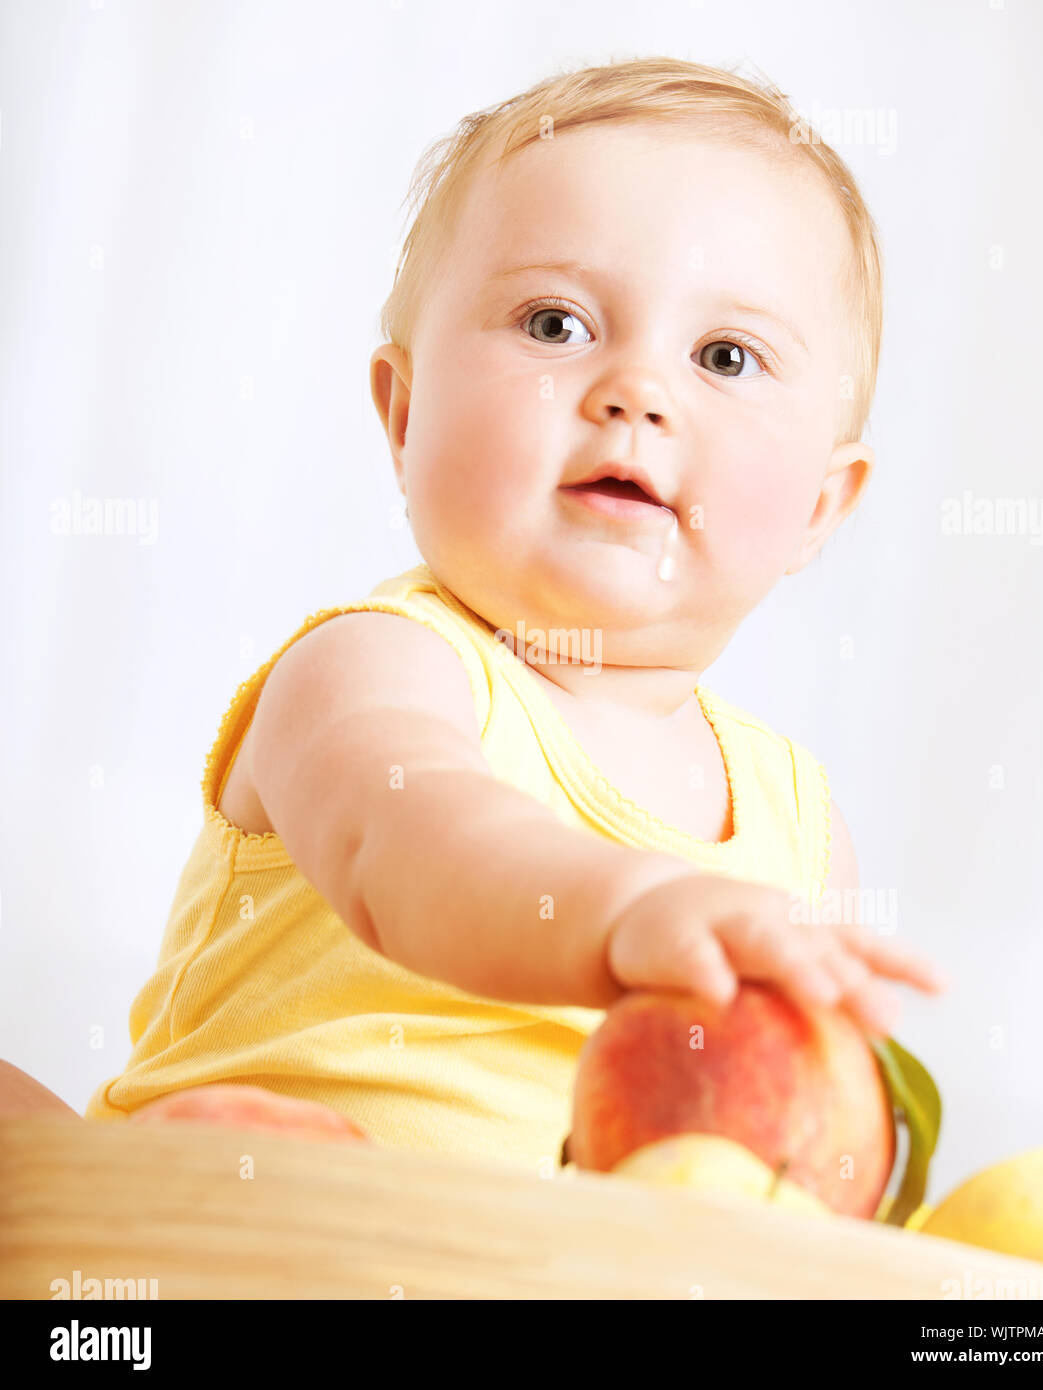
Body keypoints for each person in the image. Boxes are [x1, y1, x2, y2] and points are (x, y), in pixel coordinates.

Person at [82, 57, 950, 1174]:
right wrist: (625, 909)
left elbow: (796, 1140)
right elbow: (418, 849)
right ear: (404, 415)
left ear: (820, 508)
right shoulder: (379, 668)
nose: (635, 391)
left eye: (723, 357)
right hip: (266, 1237)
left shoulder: (800, 825)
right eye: (554, 324)